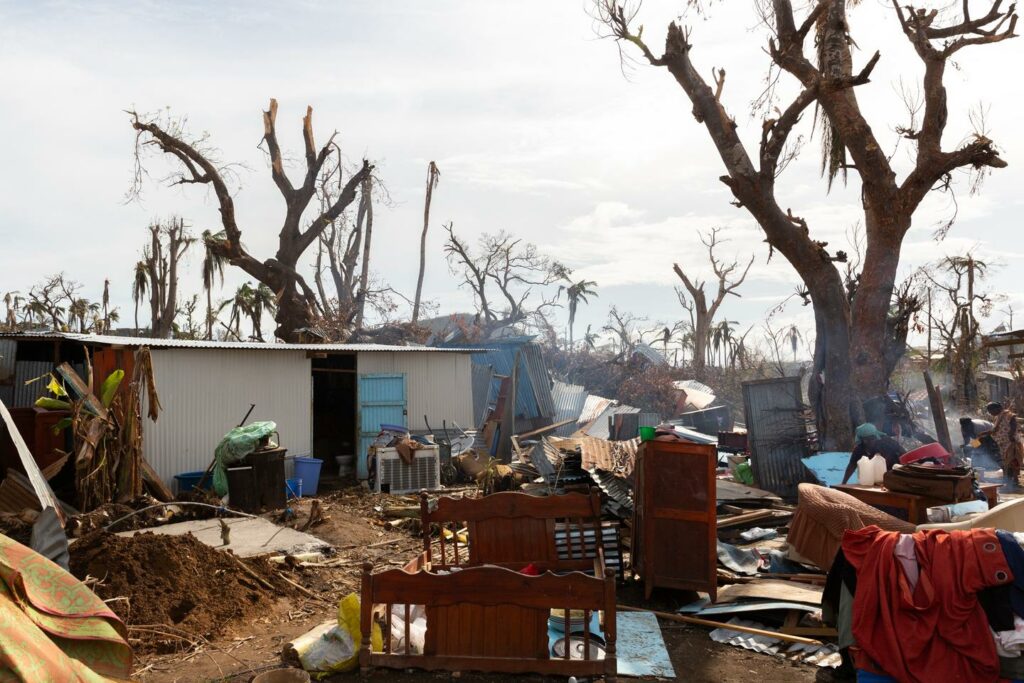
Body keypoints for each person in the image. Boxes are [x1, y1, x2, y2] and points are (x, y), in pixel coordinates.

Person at [841, 423, 906, 485]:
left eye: (872, 438)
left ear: (876, 436)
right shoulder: (859, 449)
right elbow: (852, 465)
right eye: (866, 439)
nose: (870, 441)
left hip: (895, 475)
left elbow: (903, 454)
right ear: (861, 439)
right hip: (875, 480)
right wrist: (844, 483)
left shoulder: (887, 442)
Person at [987, 402, 1022, 489]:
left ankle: (1015, 481)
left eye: (990, 411)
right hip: (1003, 444)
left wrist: (1011, 435)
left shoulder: (1008, 415)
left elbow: (1013, 423)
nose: (990, 413)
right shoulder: (998, 417)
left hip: (1011, 443)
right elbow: (996, 430)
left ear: (997, 408)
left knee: (1013, 462)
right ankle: (1009, 481)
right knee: (1007, 463)